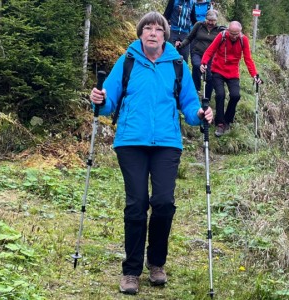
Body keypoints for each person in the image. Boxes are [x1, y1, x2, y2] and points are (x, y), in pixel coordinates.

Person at [89, 11, 213, 295]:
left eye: (158, 29)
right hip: (131, 141)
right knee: (136, 204)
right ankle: (131, 271)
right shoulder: (128, 60)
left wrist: (200, 113)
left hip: (167, 143)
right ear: (140, 34)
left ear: (165, 36)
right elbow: (107, 101)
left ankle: (156, 263)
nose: (153, 33)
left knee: (163, 202)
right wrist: (100, 99)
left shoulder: (176, 64)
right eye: (148, 28)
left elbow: (190, 104)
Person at [200, 21, 262, 137]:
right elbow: (210, 50)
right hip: (217, 69)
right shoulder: (222, 36)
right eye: (232, 33)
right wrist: (203, 62)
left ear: (240, 32)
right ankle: (220, 123)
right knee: (220, 95)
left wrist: (254, 75)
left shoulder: (243, 40)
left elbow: (248, 59)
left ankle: (227, 120)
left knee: (235, 95)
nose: (233, 36)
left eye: (236, 34)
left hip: (233, 73)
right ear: (228, 30)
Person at [176, 10, 223, 101]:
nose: (210, 22)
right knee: (197, 66)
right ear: (206, 18)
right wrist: (181, 45)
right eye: (208, 20)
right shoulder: (199, 25)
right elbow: (189, 38)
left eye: (212, 20)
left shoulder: (219, 30)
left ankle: (207, 98)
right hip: (197, 52)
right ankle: (195, 89)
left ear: (216, 20)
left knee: (210, 76)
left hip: (211, 56)